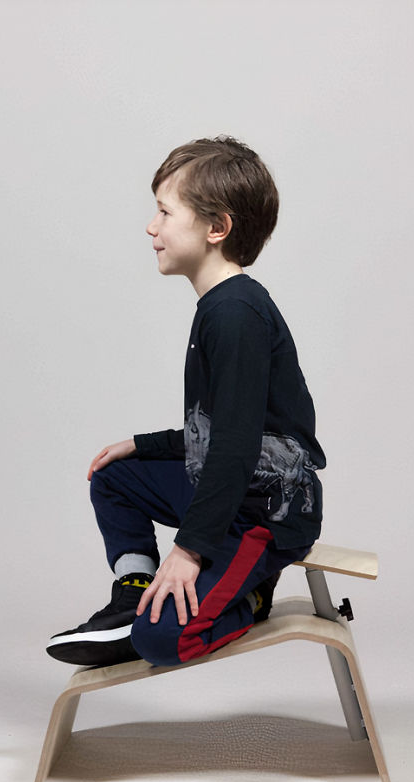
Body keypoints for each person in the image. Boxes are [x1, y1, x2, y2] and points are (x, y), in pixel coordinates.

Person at [46, 136, 326, 668]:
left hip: (268, 512)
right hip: (233, 489)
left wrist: (188, 550)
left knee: (162, 640)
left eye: (164, 212)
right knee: (116, 476)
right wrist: (142, 445)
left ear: (216, 229)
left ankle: (250, 594)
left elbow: (238, 447)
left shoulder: (236, 315)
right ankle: (133, 593)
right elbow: (221, 429)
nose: (152, 228)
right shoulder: (219, 307)